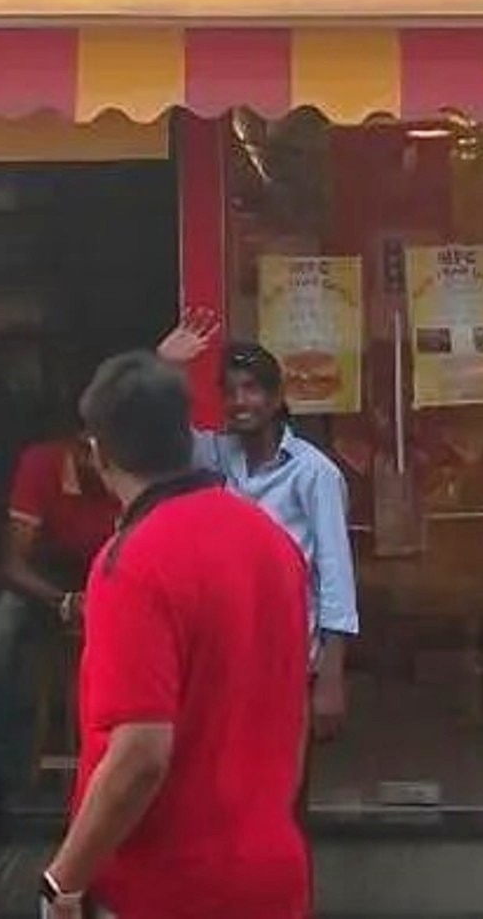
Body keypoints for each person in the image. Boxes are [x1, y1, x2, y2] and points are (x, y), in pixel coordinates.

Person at [43, 351, 310, 919]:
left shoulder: (131, 563)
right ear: (187, 436)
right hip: (272, 872)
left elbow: (141, 754)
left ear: (99, 452)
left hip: (164, 886)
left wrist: (61, 881)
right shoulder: (272, 542)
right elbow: (294, 708)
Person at [158, 312, 359, 743]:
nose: (240, 401)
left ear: (275, 397)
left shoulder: (312, 472)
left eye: (251, 389)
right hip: (226, 663)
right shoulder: (215, 456)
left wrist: (331, 676)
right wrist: (165, 367)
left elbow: (336, 577)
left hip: (292, 663)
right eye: (230, 392)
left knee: (286, 780)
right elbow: (159, 437)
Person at [0, 424, 122, 838]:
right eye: (92, 449)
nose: (101, 461)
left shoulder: (133, 468)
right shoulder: (41, 465)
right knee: (3, 625)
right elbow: (13, 565)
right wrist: (63, 601)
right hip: (47, 584)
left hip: (118, 578)